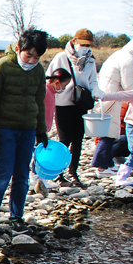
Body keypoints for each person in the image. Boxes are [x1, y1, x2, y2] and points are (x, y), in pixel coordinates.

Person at [0, 29, 48, 237]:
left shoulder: (38, 71)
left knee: (22, 176)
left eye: (37, 57)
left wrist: (41, 131)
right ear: (18, 49)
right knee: (3, 174)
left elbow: (40, 102)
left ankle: (16, 218)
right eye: (29, 55)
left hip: (27, 130)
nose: (32, 60)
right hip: (5, 129)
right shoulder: (1, 67)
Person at [45, 29, 102, 187]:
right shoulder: (61, 57)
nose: (85, 47)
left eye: (88, 45)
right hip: (62, 103)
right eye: (82, 44)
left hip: (81, 103)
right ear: (75, 41)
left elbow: (93, 81)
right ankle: (58, 173)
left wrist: (96, 91)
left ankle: (73, 172)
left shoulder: (90, 60)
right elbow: (49, 79)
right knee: (64, 140)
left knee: (78, 139)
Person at [95, 35, 133, 174]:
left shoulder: (121, 54)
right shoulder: (129, 59)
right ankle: (101, 166)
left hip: (108, 95)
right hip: (113, 97)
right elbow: (128, 86)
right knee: (109, 133)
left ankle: (108, 163)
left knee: (112, 132)